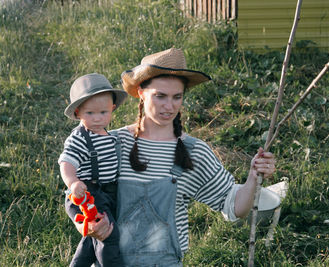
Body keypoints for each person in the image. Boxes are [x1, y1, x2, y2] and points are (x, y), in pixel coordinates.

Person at [77, 48, 276, 266]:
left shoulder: (193, 152)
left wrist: (253, 177)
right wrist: (85, 225)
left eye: (177, 97)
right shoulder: (111, 143)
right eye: (160, 96)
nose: (169, 106)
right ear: (141, 93)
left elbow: (234, 206)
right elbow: (78, 193)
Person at [58, 73, 127, 266]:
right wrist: (73, 183)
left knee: (91, 239)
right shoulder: (80, 137)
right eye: (90, 113)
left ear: (112, 109)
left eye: (103, 112)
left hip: (105, 193)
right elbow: (66, 162)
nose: (97, 118)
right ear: (78, 113)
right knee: (108, 234)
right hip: (88, 193)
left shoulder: (107, 135)